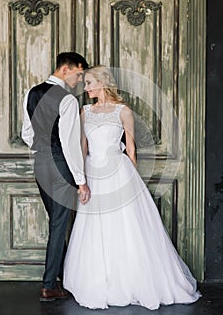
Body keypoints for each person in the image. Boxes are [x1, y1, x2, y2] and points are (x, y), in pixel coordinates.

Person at [62, 65, 201, 310]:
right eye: (84, 84)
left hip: (119, 172)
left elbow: (131, 149)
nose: (86, 88)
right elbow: (82, 148)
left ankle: (131, 279)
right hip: (94, 173)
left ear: (102, 83)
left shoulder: (123, 111)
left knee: (127, 225)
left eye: (89, 83)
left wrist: (133, 182)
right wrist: (81, 181)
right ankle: (100, 280)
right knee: (96, 226)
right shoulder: (84, 112)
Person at [22, 52, 91, 302]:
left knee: (56, 222)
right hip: (60, 163)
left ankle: (62, 277)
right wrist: (81, 181)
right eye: (79, 74)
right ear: (66, 69)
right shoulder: (67, 100)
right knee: (59, 224)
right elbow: (70, 144)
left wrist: (42, 148)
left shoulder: (32, 92)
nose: (81, 80)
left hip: (40, 162)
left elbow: (26, 132)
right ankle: (49, 285)